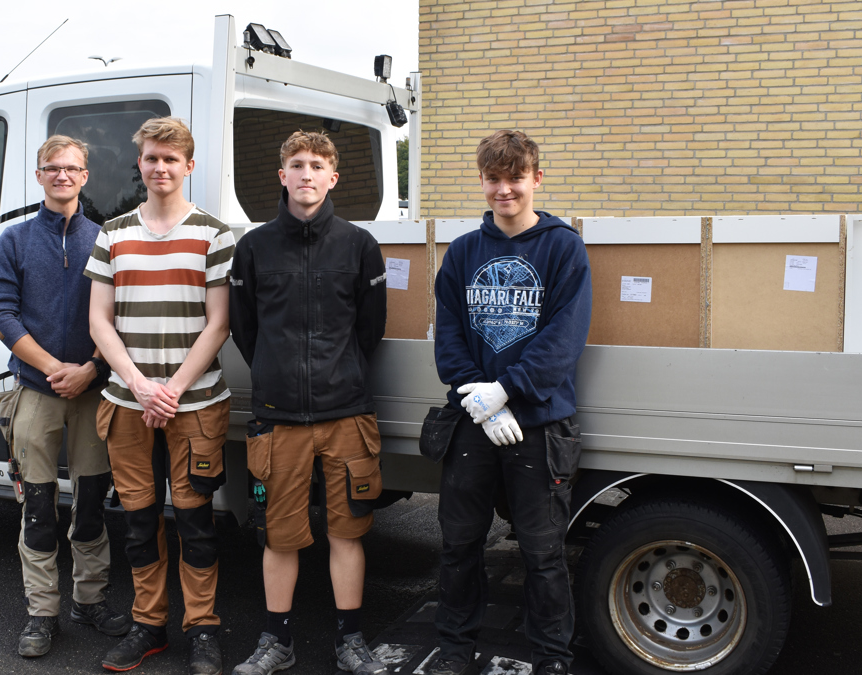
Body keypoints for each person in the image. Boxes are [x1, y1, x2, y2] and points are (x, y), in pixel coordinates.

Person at [428, 130, 592, 675]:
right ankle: (455, 648)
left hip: (540, 423)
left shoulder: (562, 247)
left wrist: (509, 391)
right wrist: (483, 399)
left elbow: (564, 339)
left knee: (542, 553)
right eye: (494, 179)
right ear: (482, 182)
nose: (505, 190)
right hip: (475, 421)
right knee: (459, 545)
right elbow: (448, 337)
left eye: (515, 178)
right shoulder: (463, 253)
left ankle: (551, 657)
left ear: (536, 179)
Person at [229, 130, 389, 675]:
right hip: (278, 420)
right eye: (296, 164)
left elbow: (371, 330)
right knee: (281, 535)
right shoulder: (253, 247)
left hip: (346, 415)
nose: (306, 174)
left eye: (317, 165)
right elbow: (245, 330)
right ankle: (277, 641)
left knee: (347, 532)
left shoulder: (359, 245)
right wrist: (279, 374)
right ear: (281, 176)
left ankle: (350, 642)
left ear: (332, 178)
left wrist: (332, 374)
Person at [85, 117, 234, 675]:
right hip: (128, 403)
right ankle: (149, 626)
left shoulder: (215, 235)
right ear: (140, 164)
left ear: (189, 166)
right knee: (140, 521)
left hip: (195, 405)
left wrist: (170, 388)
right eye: (151, 158)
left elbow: (219, 324)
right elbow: (99, 321)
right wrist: (142, 385)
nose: (160, 167)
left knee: (196, 521)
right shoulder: (113, 233)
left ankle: (202, 628)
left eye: (171, 159)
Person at [0, 135, 127, 658]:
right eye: (52, 168)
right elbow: (1, 311)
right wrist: (53, 369)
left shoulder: (108, 239)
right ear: (39, 175)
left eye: (72, 168)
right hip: (35, 391)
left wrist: (89, 370)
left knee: (90, 504)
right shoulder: (15, 240)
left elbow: (118, 318)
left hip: (93, 391)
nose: (62, 175)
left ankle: (89, 600)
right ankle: (41, 613)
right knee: (39, 509)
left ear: (85, 177)